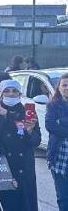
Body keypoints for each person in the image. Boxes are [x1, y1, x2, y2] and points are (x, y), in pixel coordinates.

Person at [0, 80, 40, 211]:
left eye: (14, 91)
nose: (11, 94)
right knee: (4, 203)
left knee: (24, 203)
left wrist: (30, 131)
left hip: (23, 166)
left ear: (19, 93)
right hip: (2, 165)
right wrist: (2, 116)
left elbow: (36, 141)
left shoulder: (27, 111)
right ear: (1, 93)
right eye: (7, 91)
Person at [47, 73, 68, 211]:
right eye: (64, 85)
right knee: (63, 198)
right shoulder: (53, 105)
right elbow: (50, 125)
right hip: (60, 159)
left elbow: (57, 125)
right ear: (59, 88)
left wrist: (62, 121)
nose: (67, 88)